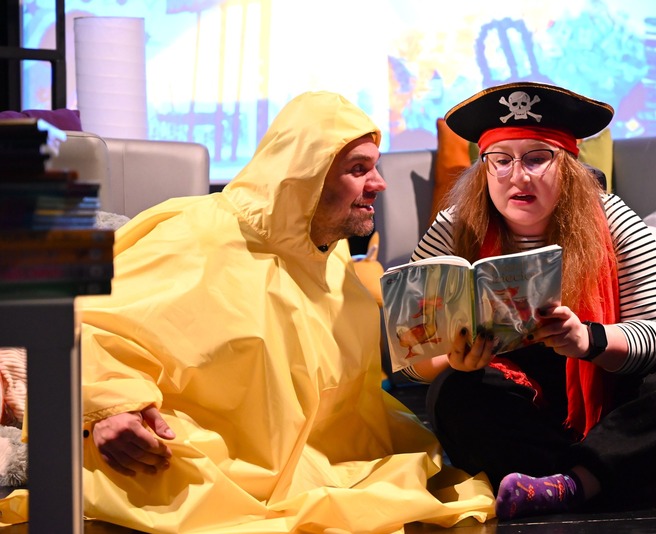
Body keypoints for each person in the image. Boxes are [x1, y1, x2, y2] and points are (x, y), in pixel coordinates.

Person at [78, 91, 495, 533]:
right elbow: (89, 326)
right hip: (209, 457)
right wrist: (112, 408)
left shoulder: (328, 256)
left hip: (318, 456)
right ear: (303, 176)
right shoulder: (195, 237)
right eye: (358, 169)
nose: (379, 183)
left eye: (374, 167)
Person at [401, 81, 656, 520]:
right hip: (515, 400)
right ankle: (630, 471)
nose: (518, 176)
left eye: (537, 158)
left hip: (604, 393)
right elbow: (410, 358)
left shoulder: (615, 220)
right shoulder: (454, 227)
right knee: (451, 392)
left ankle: (574, 482)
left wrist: (587, 339)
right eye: (500, 160)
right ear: (484, 168)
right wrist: (453, 360)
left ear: (569, 165)